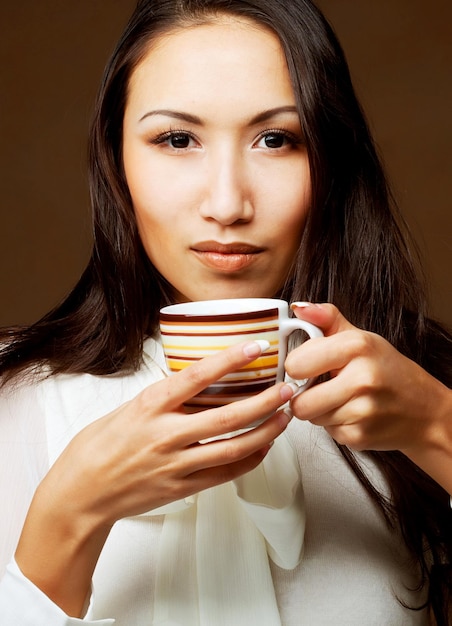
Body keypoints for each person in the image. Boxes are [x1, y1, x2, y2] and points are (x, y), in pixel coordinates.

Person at [1, 0, 451, 624]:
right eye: (177, 139)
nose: (227, 203)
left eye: (276, 140)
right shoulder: (16, 396)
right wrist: (71, 516)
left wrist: (437, 428)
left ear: (332, 159)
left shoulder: (414, 385)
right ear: (116, 162)